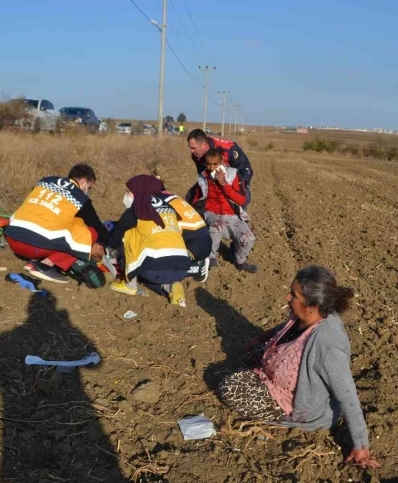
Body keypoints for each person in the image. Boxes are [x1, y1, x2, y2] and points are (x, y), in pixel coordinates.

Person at [217, 266, 380, 470]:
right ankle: (261, 370)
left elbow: (347, 395)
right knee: (246, 355)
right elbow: (283, 329)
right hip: (282, 365)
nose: (287, 297)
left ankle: (266, 386)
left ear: (311, 306)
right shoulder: (306, 315)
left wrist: (361, 446)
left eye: (293, 295)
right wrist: (261, 339)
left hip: (295, 403)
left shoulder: (328, 344)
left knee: (229, 386)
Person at [4, 163, 108, 287]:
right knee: (90, 232)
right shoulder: (79, 197)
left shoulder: (44, 181)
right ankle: (45, 264)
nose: (88, 191)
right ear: (84, 181)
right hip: (32, 248)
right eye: (89, 188)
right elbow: (96, 225)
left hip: (12, 238)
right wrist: (112, 241)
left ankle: (35, 259)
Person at [107, 175, 191, 306]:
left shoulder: (137, 210)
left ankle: (130, 284)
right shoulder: (169, 208)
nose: (126, 195)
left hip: (155, 268)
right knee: (146, 277)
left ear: (140, 191)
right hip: (182, 267)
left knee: (129, 233)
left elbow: (115, 239)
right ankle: (170, 287)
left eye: (128, 192)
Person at [189, 147, 257, 273]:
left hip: (232, 215)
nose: (212, 168)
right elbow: (196, 200)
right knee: (215, 228)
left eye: (215, 164)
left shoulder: (233, 175)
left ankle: (240, 261)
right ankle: (209, 258)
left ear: (222, 162)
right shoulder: (203, 178)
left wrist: (224, 185)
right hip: (212, 213)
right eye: (208, 164)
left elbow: (241, 200)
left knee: (248, 238)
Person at [187, 128, 253, 207]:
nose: (191, 151)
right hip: (213, 181)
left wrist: (231, 189)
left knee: (242, 200)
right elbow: (203, 174)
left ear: (204, 145)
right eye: (190, 148)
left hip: (235, 181)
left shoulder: (229, 149)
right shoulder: (196, 155)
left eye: (193, 148)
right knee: (190, 196)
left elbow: (246, 172)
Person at [161, 185, 213, 283]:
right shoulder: (174, 198)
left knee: (163, 268)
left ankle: (197, 267)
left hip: (194, 242)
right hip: (201, 238)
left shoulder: (160, 204)